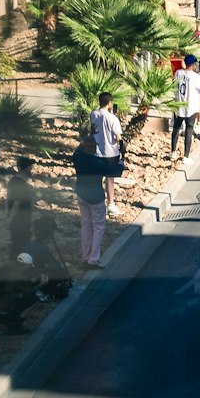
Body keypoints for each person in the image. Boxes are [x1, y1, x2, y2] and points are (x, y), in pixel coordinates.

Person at [70, 134, 110, 267]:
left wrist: (84, 140)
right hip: (95, 197)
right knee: (98, 227)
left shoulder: (78, 157)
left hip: (81, 193)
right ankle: (93, 259)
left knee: (86, 225)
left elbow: (77, 150)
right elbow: (114, 169)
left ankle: (85, 257)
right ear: (93, 148)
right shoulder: (97, 163)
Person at [170, 53, 200, 159]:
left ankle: (173, 152)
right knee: (189, 130)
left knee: (176, 128)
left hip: (179, 105)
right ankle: (186, 156)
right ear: (193, 64)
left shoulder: (178, 73)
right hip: (191, 106)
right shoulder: (195, 77)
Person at [90, 89, 123, 177]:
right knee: (110, 179)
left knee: (97, 178)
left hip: (97, 152)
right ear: (109, 103)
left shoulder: (93, 114)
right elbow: (118, 137)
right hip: (111, 153)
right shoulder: (113, 118)